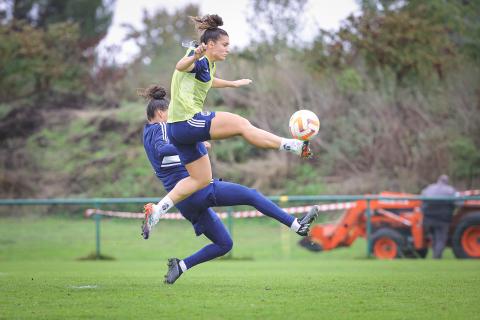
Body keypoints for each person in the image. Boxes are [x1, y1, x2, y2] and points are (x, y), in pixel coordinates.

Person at [142, 14, 312, 235]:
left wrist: (232, 83)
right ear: (210, 44)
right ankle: (295, 146)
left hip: (179, 131)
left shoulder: (208, 65)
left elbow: (208, 81)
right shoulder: (198, 58)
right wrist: (194, 55)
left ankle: (157, 211)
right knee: (241, 124)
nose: (228, 49)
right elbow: (180, 66)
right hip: (186, 122)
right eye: (225, 45)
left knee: (199, 179)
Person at [140, 85, 319, 284]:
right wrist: (195, 144)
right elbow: (162, 149)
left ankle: (180, 266)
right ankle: (297, 225)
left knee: (224, 244)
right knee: (251, 195)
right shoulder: (162, 126)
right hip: (196, 189)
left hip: (184, 201)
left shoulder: (147, 132)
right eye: (171, 112)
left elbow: (161, 149)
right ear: (160, 113)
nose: (174, 117)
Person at [421, 174, 457, 259]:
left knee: (433, 238)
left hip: (428, 218)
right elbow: (458, 202)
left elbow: (422, 199)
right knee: (441, 238)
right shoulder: (450, 190)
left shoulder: (429, 188)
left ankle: (435, 254)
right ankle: (437, 256)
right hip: (443, 219)